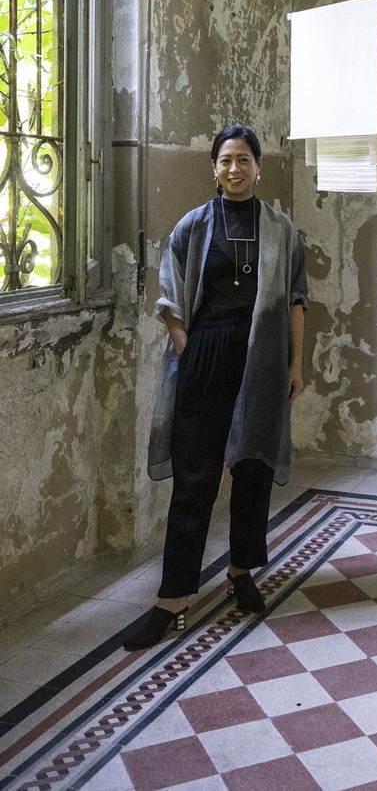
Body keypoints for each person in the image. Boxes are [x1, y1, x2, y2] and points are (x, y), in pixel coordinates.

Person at [123, 123, 308, 650]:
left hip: (263, 354)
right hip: (206, 349)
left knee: (253, 466)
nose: (235, 168)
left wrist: (296, 364)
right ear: (214, 168)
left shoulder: (281, 229)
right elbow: (169, 295)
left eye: (244, 159)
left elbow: (296, 300)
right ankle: (173, 597)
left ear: (259, 167)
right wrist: (187, 346)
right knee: (195, 472)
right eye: (226, 160)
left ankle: (241, 571)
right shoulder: (194, 225)